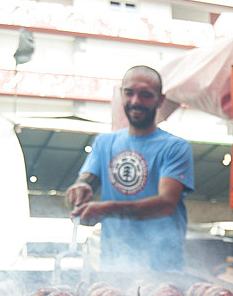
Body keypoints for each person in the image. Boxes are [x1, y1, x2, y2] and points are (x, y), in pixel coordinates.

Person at [67, 65, 194, 271]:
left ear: (160, 100)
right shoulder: (103, 143)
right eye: (129, 93)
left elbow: (166, 204)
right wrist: (80, 190)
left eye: (145, 95)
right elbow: (85, 181)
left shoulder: (175, 147)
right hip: (115, 261)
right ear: (121, 95)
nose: (136, 101)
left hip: (163, 264)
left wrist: (107, 208)